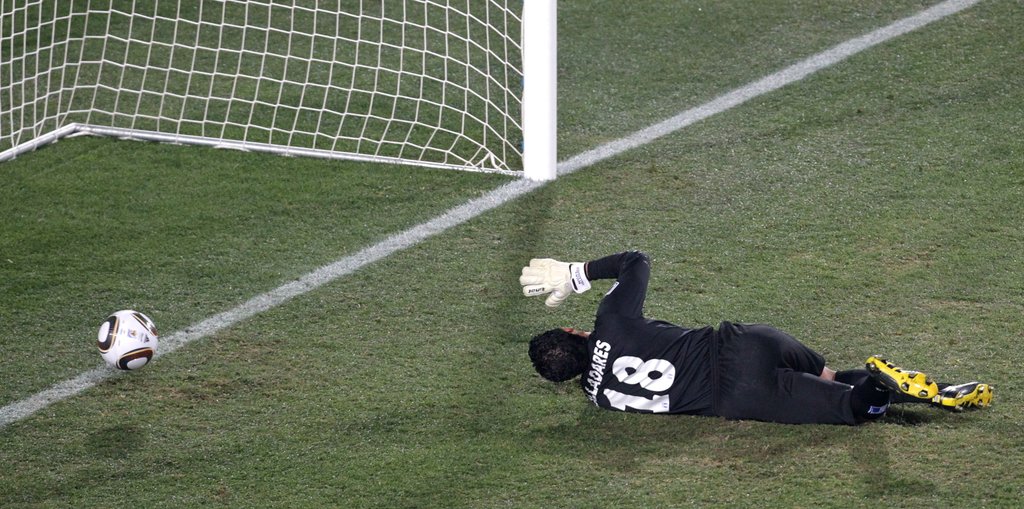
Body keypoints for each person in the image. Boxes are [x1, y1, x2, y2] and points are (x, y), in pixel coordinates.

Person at [520, 251, 992, 425]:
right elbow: (634, 261)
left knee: (852, 408)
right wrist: (577, 274)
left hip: (736, 393)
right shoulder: (611, 321)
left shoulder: (600, 398)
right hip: (744, 342)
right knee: (830, 379)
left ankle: (880, 388)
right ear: (572, 330)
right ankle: (939, 393)